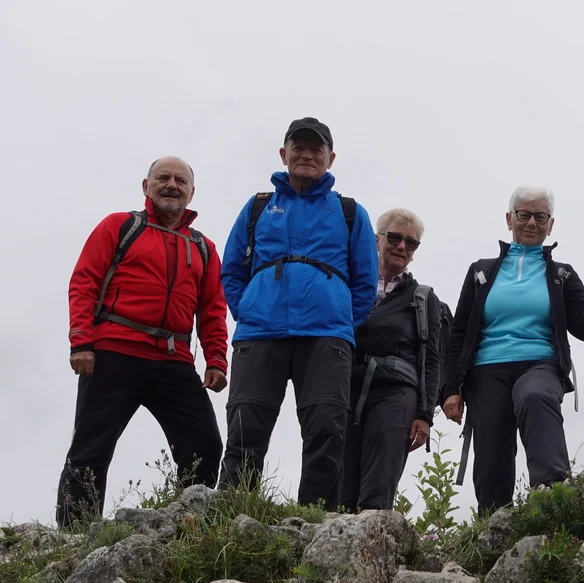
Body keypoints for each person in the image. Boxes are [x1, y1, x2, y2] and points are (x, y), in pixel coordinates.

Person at [219, 117, 379, 511]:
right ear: (283, 153)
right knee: (245, 427)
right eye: (299, 147)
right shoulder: (258, 207)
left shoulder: (350, 212)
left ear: (331, 157)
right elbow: (231, 270)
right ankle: (231, 517)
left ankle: (314, 520)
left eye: (316, 148)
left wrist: (341, 320)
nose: (307, 155)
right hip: (260, 333)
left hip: (327, 336)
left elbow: (365, 281)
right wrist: (250, 310)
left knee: (326, 427)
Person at [59, 156, 228, 527]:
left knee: (204, 444)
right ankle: (73, 535)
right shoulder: (120, 226)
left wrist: (216, 358)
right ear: (146, 186)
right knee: (91, 448)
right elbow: (84, 281)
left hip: (174, 360)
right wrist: (81, 341)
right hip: (112, 352)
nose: (172, 185)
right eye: (163, 178)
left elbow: (213, 308)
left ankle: (186, 525)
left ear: (192, 192)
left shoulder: (203, 247)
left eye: (180, 180)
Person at [441, 186, 584, 513]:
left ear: (550, 224)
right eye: (524, 215)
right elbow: (459, 333)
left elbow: (583, 327)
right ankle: (493, 524)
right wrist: (451, 389)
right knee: (491, 454)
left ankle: (553, 497)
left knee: (535, 397)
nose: (531, 222)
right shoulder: (480, 272)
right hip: (486, 371)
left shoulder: (561, 274)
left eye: (540, 216)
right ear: (509, 219)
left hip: (539, 364)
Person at [340, 209, 443, 512]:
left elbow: (432, 360)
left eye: (411, 244)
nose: (402, 247)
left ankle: (369, 552)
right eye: (395, 238)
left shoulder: (422, 298)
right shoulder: (348, 283)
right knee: (338, 477)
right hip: (346, 385)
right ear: (376, 240)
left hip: (396, 392)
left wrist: (424, 415)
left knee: (380, 479)